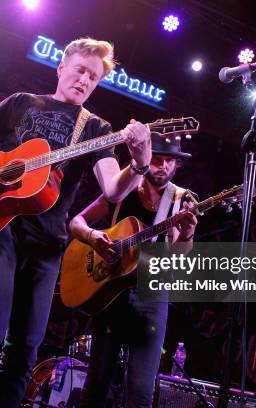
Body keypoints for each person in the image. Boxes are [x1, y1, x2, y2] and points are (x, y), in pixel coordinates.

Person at [0, 38, 152, 408]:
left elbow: (112, 189)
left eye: (93, 78)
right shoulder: (22, 102)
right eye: (80, 70)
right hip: (1, 228)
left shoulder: (95, 127)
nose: (84, 80)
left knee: (24, 351)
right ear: (61, 67)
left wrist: (139, 164)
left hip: (48, 245)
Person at [69, 133, 198, 407]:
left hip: (151, 295)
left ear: (177, 165)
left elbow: (177, 261)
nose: (163, 166)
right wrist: (94, 237)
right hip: (111, 294)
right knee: (96, 385)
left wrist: (187, 236)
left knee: (140, 393)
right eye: (157, 160)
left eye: (169, 161)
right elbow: (76, 222)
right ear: (146, 159)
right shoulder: (123, 189)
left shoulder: (180, 200)